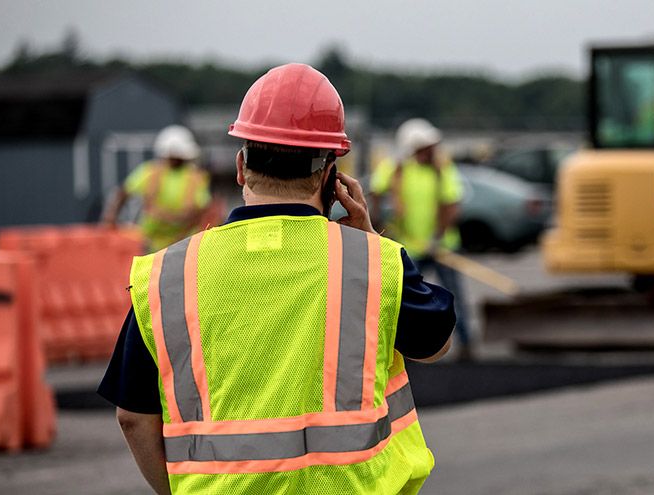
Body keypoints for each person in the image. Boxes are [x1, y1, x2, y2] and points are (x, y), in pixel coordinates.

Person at [98, 64, 455, 495]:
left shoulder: (165, 277)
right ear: (331, 177)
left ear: (240, 166)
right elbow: (436, 345)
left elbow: (132, 416)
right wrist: (370, 237)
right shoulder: (374, 262)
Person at [370, 119, 473, 359]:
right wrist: (380, 223)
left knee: (454, 295)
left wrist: (438, 238)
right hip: (411, 248)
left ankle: (467, 345)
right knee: (405, 298)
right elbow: (376, 191)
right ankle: (405, 349)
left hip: (442, 246)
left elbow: (451, 204)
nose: (432, 150)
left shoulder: (442, 170)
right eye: (426, 146)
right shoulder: (396, 169)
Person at [102, 125, 212, 252]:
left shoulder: (195, 178)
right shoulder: (151, 172)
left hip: (182, 242)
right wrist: (110, 220)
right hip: (152, 241)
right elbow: (123, 193)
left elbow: (202, 210)